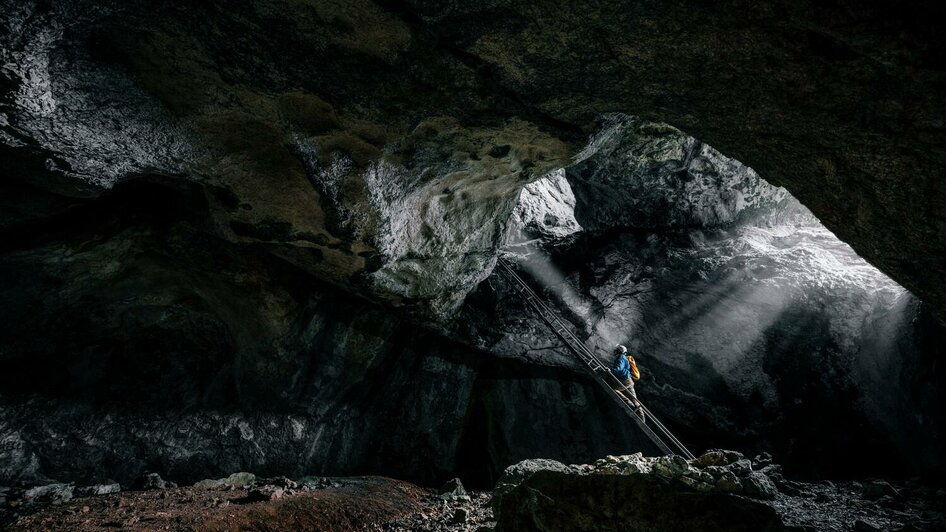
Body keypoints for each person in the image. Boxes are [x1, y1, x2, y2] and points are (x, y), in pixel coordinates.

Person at [610, 344, 645, 422]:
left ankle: (629, 404)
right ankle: (642, 418)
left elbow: (619, 368)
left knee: (613, 389)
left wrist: (610, 370)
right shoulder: (625, 358)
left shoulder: (621, 357)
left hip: (625, 380)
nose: (615, 351)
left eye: (616, 350)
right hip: (630, 380)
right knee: (635, 399)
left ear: (619, 351)